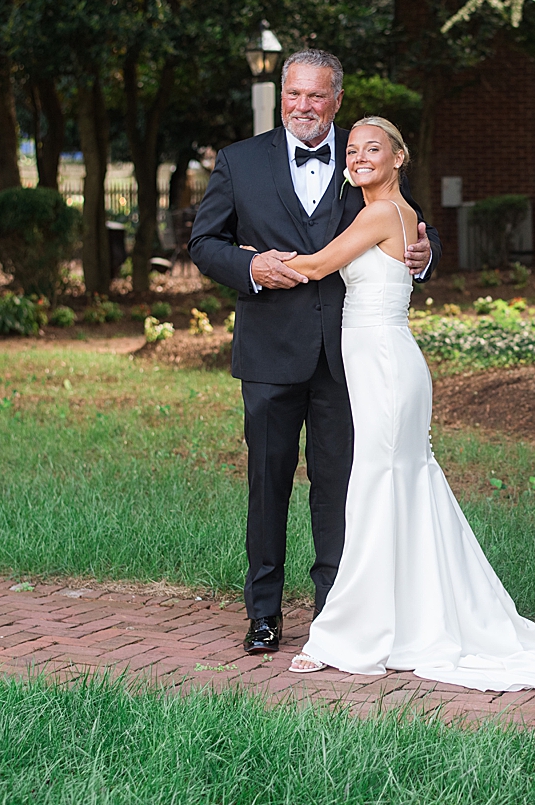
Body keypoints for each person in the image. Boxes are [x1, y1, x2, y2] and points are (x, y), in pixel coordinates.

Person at [276, 116, 535, 691]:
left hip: (385, 365)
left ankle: (351, 633)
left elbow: (315, 267)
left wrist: (253, 257)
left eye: (374, 149)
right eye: (354, 149)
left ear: (398, 158)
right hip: (385, 363)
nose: (360, 157)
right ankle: (410, 618)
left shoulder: (382, 214)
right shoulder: (396, 213)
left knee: (374, 485)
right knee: (401, 485)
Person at [188, 50, 441, 656]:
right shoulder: (240, 162)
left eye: (316, 96)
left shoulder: (364, 166)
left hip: (346, 357)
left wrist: (425, 259)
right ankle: (264, 613)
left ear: (336, 101)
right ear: (283, 97)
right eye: (293, 95)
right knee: (267, 484)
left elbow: (413, 229)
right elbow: (203, 242)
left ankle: (335, 609)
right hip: (269, 352)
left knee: (341, 488)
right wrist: (250, 266)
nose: (303, 106)